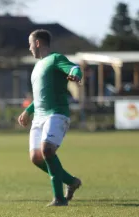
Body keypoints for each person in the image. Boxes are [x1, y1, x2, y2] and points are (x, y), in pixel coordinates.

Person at [17, 29, 83, 206]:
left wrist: (76, 75)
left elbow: (74, 67)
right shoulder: (37, 66)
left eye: (30, 43)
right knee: (36, 158)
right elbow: (40, 96)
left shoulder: (55, 59)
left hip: (56, 113)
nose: (29, 47)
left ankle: (59, 198)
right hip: (39, 116)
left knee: (47, 150)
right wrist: (28, 111)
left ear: (37, 43)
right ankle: (71, 181)